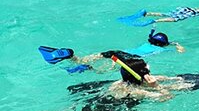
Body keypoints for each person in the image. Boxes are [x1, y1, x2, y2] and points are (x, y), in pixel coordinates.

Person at [38, 29, 185, 74]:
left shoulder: (147, 42)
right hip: (130, 57)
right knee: (104, 71)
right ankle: (88, 69)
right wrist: (177, 46)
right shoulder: (160, 50)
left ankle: (72, 57)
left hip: (117, 51)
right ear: (163, 44)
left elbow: (157, 41)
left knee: (87, 58)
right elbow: (179, 52)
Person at [116, 0, 199, 27]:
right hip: (193, 13)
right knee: (174, 19)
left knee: (168, 13)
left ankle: (147, 13)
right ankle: (153, 21)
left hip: (188, 8)